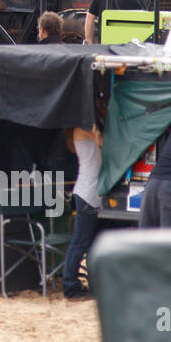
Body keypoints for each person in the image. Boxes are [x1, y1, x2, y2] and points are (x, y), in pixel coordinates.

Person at [62, 126, 103, 299]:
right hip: (87, 193)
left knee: (92, 242)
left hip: (92, 192)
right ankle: (70, 286)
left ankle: (93, 285)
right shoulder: (82, 128)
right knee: (80, 241)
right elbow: (104, 143)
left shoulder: (84, 129)